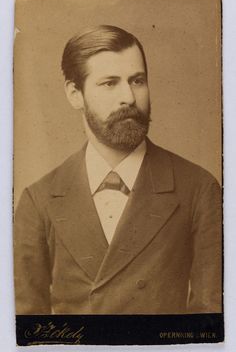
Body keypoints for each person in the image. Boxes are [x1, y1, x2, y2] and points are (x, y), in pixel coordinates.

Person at [14, 25, 222, 315]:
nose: (129, 97)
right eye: (110, 83)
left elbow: (211, 323)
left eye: (137, 81)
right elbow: (25, 329)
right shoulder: (39, 201)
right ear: (75, 94)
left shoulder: (199, 189)